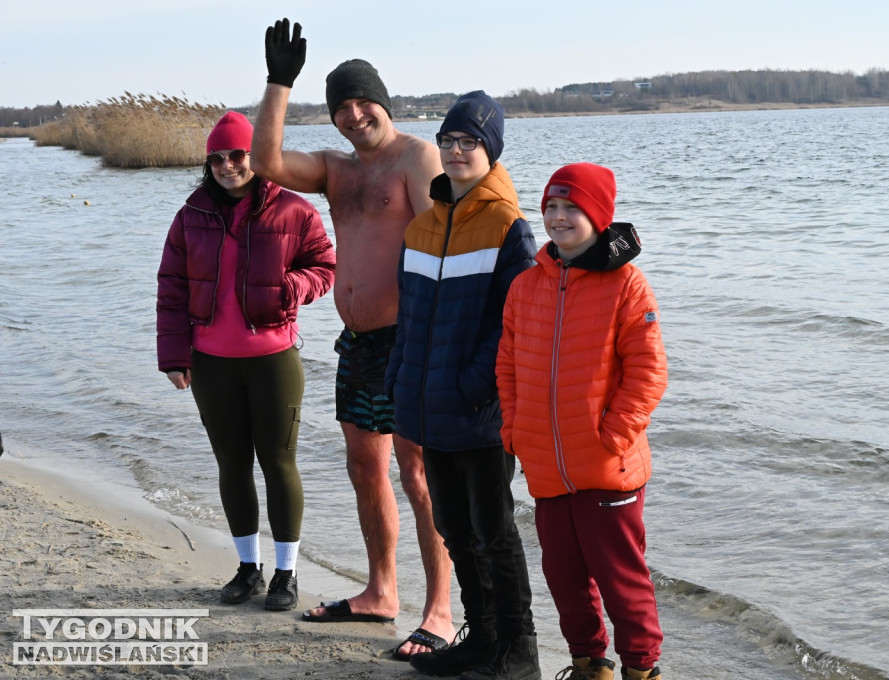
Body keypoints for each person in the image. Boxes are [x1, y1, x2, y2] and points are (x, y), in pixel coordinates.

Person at [250, 18, 456, 657]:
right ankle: (380, 592)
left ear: (384, 103)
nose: (353, 114)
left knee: (420, 475)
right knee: (366, 468)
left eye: (363, 102)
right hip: (358, 345)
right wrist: (280, 82)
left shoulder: (417, 158)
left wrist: (439, 342)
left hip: (410, 341)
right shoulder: (337, 172)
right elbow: (265, 162)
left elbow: (443, 249)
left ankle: (441, 610)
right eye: (340, 107)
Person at [386, 91, 540, 680]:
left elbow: (514, 324)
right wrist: (401, 382)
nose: (455, 152)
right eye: (448, 141)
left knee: (493, 529)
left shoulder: (510, 227)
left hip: (479, 411)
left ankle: (518, 651)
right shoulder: (421, 228)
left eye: (468, 143)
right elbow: (409, 318)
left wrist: (473, 386)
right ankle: (482, 639)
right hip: (428, 408)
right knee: (452, 524)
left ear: (490, 151)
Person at [156, 111, 336, 611]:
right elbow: (170, 289)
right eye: (217, 158)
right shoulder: (191, 213)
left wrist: (294, 286)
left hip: (273, 360)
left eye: (237, 155)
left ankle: (286, 574)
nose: (227, 165)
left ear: (254, 157)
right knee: (232, 465)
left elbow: (325, 266)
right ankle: (247, 568)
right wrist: (173, 356)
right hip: (210, 363)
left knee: (279, 464)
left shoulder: (295, 210)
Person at [495, 163, 669, 680]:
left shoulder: (626, 284)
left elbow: (648, 373)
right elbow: (506, 365)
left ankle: (642, 670)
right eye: (550, 206)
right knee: (564, 578)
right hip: (546, 467)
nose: (558, 217)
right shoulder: (526, 286)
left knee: (622, 581)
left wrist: (613, 436)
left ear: (598, 215)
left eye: (571, 207)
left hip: (607, 467)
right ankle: (591, 667)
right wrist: (514, 431)